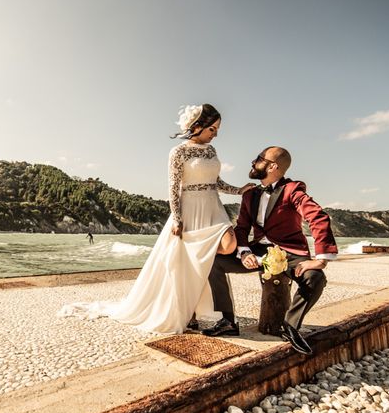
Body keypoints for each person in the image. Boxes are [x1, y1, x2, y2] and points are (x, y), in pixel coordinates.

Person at [58, 104, 254, 333]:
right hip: (189, 209)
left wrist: (239, 190)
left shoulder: (211, 151)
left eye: (217, 129)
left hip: (213, 208)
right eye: (212, 129)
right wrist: (178, 218)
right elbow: (173, 187)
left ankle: (203, 309)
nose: (216, 134)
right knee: (186, 264)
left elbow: (216, 182)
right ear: (197, 126)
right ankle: (188, 311)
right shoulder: (178, 152)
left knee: (228, 245)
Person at [203, 146, 338, 355]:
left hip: (290, 253)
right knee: (214, 262)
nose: (253, 162)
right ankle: (228, 321)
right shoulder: (250, 195)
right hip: (257, 251)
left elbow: (318, 217)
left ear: (273, 166)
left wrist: (321, 259)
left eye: (259, 159)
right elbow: (241, 228)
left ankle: (290, 326)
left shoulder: (293, 190)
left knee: (316, 278)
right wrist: (245, 252)